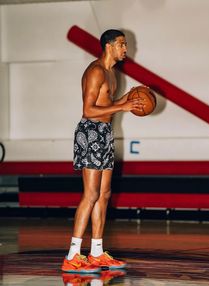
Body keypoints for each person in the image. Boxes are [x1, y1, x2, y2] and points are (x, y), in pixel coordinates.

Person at [62, 29, 144, 273]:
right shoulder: (96, 71)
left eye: (125, 44)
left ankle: (96, 252)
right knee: (90, 194)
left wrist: (127, 100)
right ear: (109, 46)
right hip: (90, 132)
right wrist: (123, 105)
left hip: (105, 134)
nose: (125, 49)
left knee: (105, 194)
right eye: (121, 44)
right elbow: (88, 110)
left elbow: (108, 108)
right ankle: (73, 255)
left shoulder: (113, 75)